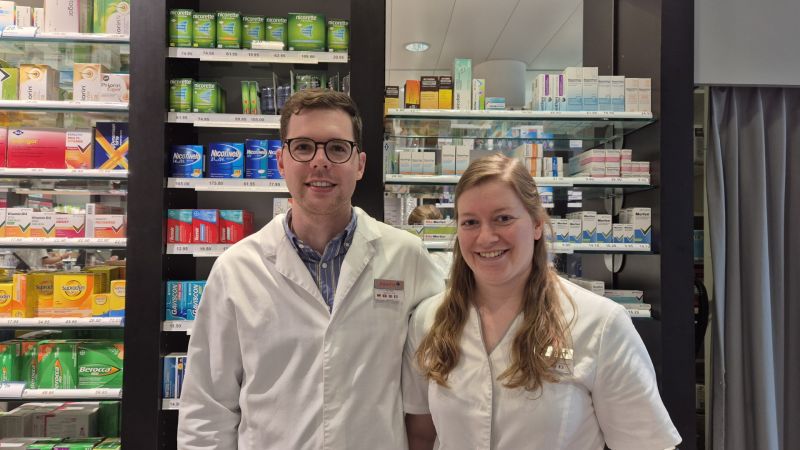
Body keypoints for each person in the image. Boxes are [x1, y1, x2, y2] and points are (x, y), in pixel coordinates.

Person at [178, 88, 444, 449]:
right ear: (281, 161)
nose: (320, 161)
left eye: (337, 148)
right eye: (303, 147)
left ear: (360, 164)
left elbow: (440, 376)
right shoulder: (236, 269)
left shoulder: (407, 257)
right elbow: (207, 410)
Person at [403, 154, 681, 450]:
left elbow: (648, 444)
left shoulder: (599, 323)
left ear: (536, 224)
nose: (486, 237)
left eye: (503, 218)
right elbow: (421, 434)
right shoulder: (429, 319)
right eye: (470, 222)